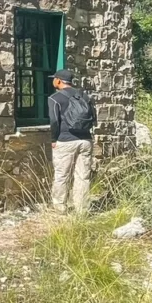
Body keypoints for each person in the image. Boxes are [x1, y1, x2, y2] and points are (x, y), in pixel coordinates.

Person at [48, 69, 96, 214]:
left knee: (62, 175)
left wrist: (53, 139)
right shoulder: (84, 96)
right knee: (83, 176)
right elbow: (93, 118)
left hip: (65, 140)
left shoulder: (55, 98)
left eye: (54, 79)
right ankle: (82, 209)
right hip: (86, 140)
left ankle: (60, 207)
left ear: (58, 81)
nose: (53, 81)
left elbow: (54, 121)